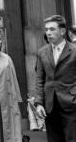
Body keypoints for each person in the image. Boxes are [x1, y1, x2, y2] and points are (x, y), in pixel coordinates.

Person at [34, 14, 76, 142]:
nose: (48, 32)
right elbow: (40, 79)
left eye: (52, 29)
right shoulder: (42, 52)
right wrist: (39, 103)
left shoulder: (74, 51)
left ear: (62, 31)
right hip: (50, 106)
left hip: (71, 104)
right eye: (46, 29)